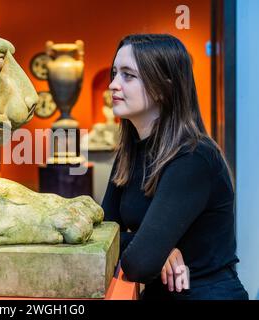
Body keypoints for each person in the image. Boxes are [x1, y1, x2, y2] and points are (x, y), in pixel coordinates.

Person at [101, 34, 249, 300]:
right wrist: (159, 249)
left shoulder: (193, 157)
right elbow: (103, 233)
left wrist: (149, 249)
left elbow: (140, 264)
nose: (113, 85)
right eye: (114, 73)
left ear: (162, 88)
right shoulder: (131, 153)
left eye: (128, 75)